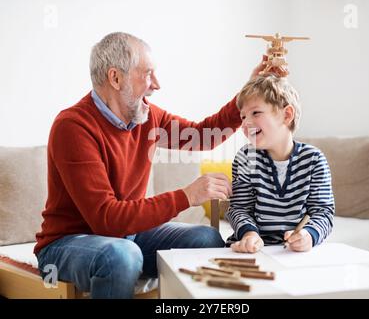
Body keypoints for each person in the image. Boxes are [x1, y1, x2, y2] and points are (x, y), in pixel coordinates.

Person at [34, 32, 273, 299]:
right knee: (120, 256)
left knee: (206, 240)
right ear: (115, 78)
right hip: (67, 244)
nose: (156, 84)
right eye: (148, 74)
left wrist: (249, 92)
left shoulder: (147, 116)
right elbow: (106, 219)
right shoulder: (73, 127)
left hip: (128, 236)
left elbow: (204, 135)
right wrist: (186, 196)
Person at [226, 75, 335, 253]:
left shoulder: (314, 160)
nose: (245, 123)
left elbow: (323, 211)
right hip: (252, 248)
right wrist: (249, 234)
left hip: (293, 253)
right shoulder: (246, 157)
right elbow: (239, 209)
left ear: (287, 115)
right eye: (243, 116)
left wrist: (309, 235)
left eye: (256, 113)